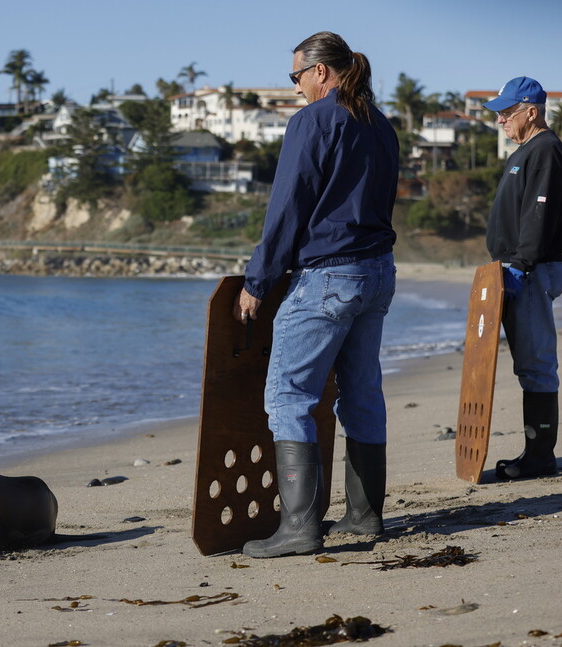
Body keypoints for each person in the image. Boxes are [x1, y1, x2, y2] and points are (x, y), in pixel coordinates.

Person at [234, 31, 398, 558]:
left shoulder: (313, 120)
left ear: (321, 72)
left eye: (297, 76)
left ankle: (300, 527)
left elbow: (287, 207)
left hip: (329, 275)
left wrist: (257, 281)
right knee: (363, 394)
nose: (297, 86)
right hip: (377, 272)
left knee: (288, 397)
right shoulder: (381, 124)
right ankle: (364, 517)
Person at [483, 77, 562, 480]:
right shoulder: (525, 150)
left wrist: (521, 264)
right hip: (516, 269)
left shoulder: (545, 150)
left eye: (507, 111)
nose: (500, 119)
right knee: (529, 364)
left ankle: (539, 457)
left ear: (530, 111)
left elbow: (538, 214)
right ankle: (534, 452)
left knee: (536, 364)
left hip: (531, 271)